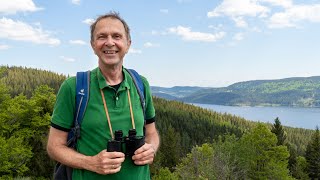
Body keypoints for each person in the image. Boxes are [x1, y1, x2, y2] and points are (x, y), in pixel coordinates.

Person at [47, 12, 159, 179]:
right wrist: (90, 162)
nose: (109, 42)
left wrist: (151, 149)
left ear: (128, 44)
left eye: (116, 36)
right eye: (102, 37)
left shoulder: (140, 84)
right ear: (93, 45)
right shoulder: (74, 87)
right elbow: (54, 147)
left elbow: (151, 133)